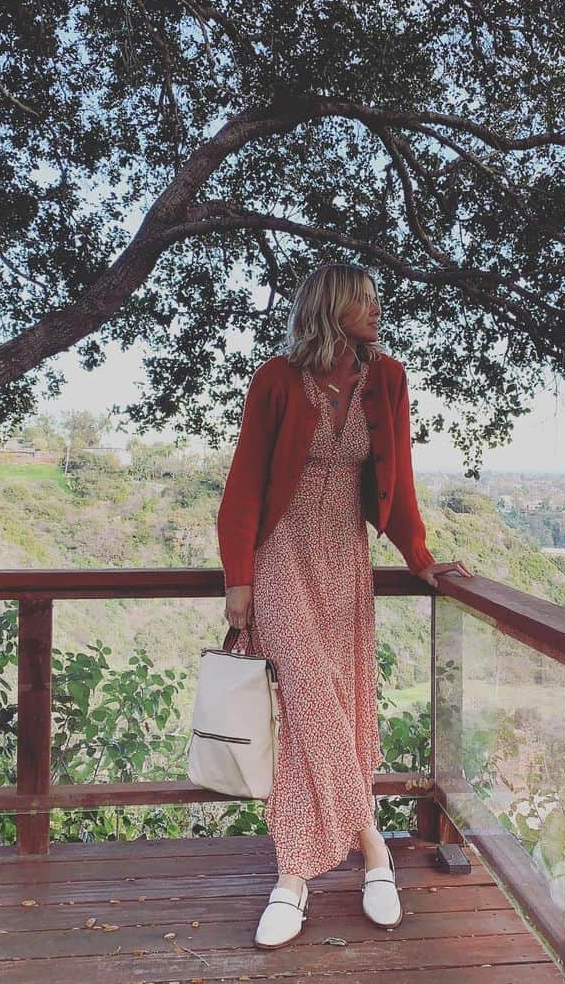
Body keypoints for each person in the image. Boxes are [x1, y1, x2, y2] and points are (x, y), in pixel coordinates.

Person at [216, 261, 473, 949]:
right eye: (364, 301)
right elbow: (243, 484)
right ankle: (369, 848)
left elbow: (400, 482)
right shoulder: (275, 379)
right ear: (333, 307)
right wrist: (237, 577)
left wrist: (420, 557)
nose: (377, 311)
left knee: (338, 701)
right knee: (310, 693)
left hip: (345, 559)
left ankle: (292, 878)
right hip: (280, 556)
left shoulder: (386, 379)